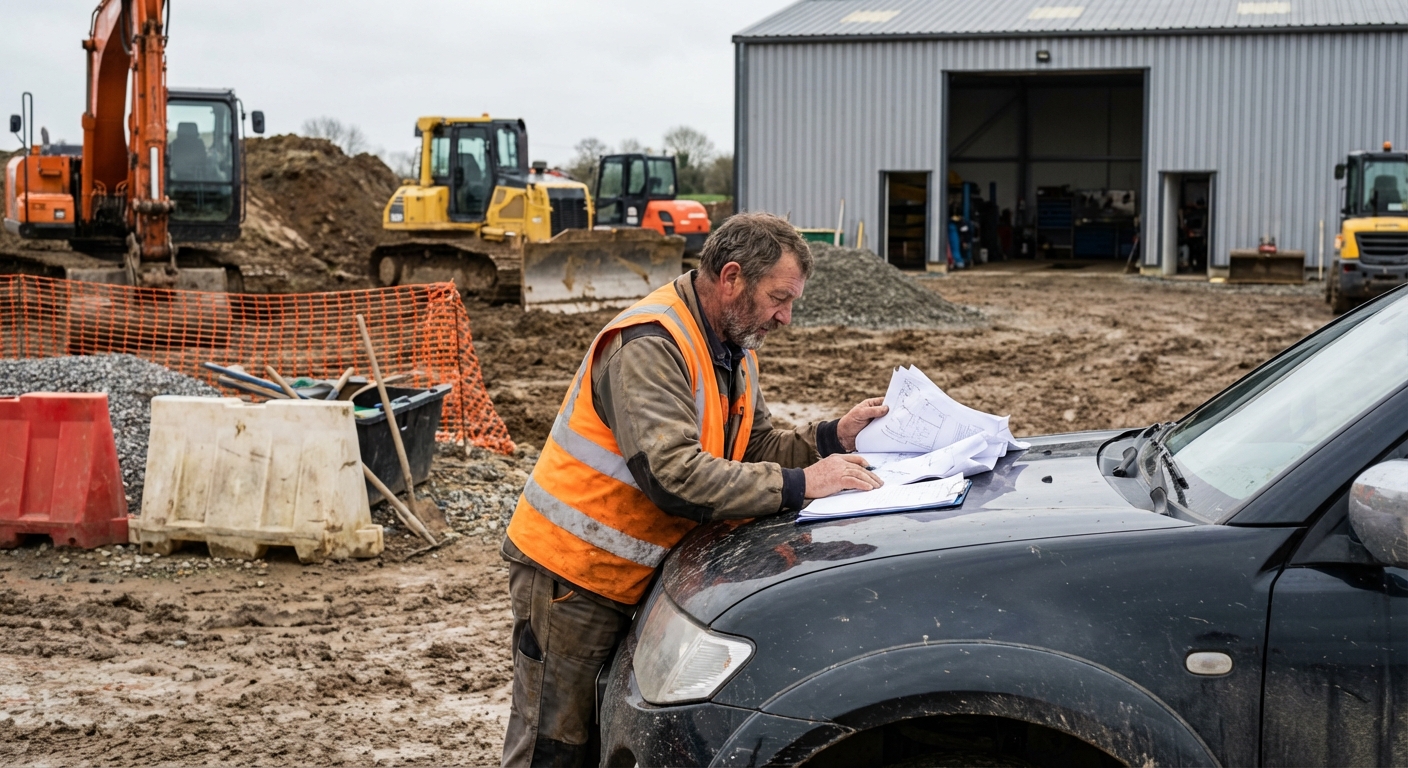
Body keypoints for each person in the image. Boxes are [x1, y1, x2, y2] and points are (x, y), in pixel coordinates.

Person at [500, 211, 889, 767]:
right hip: (573, 573)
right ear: (732, 279)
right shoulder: (650, 343)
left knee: (599, 737)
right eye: (780, 298)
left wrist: (830, 436)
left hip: (632, 578)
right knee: (553, 747)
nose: (786, 317)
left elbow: (752, 447)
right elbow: (673, 476)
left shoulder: (732, 345)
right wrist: (804, 484)